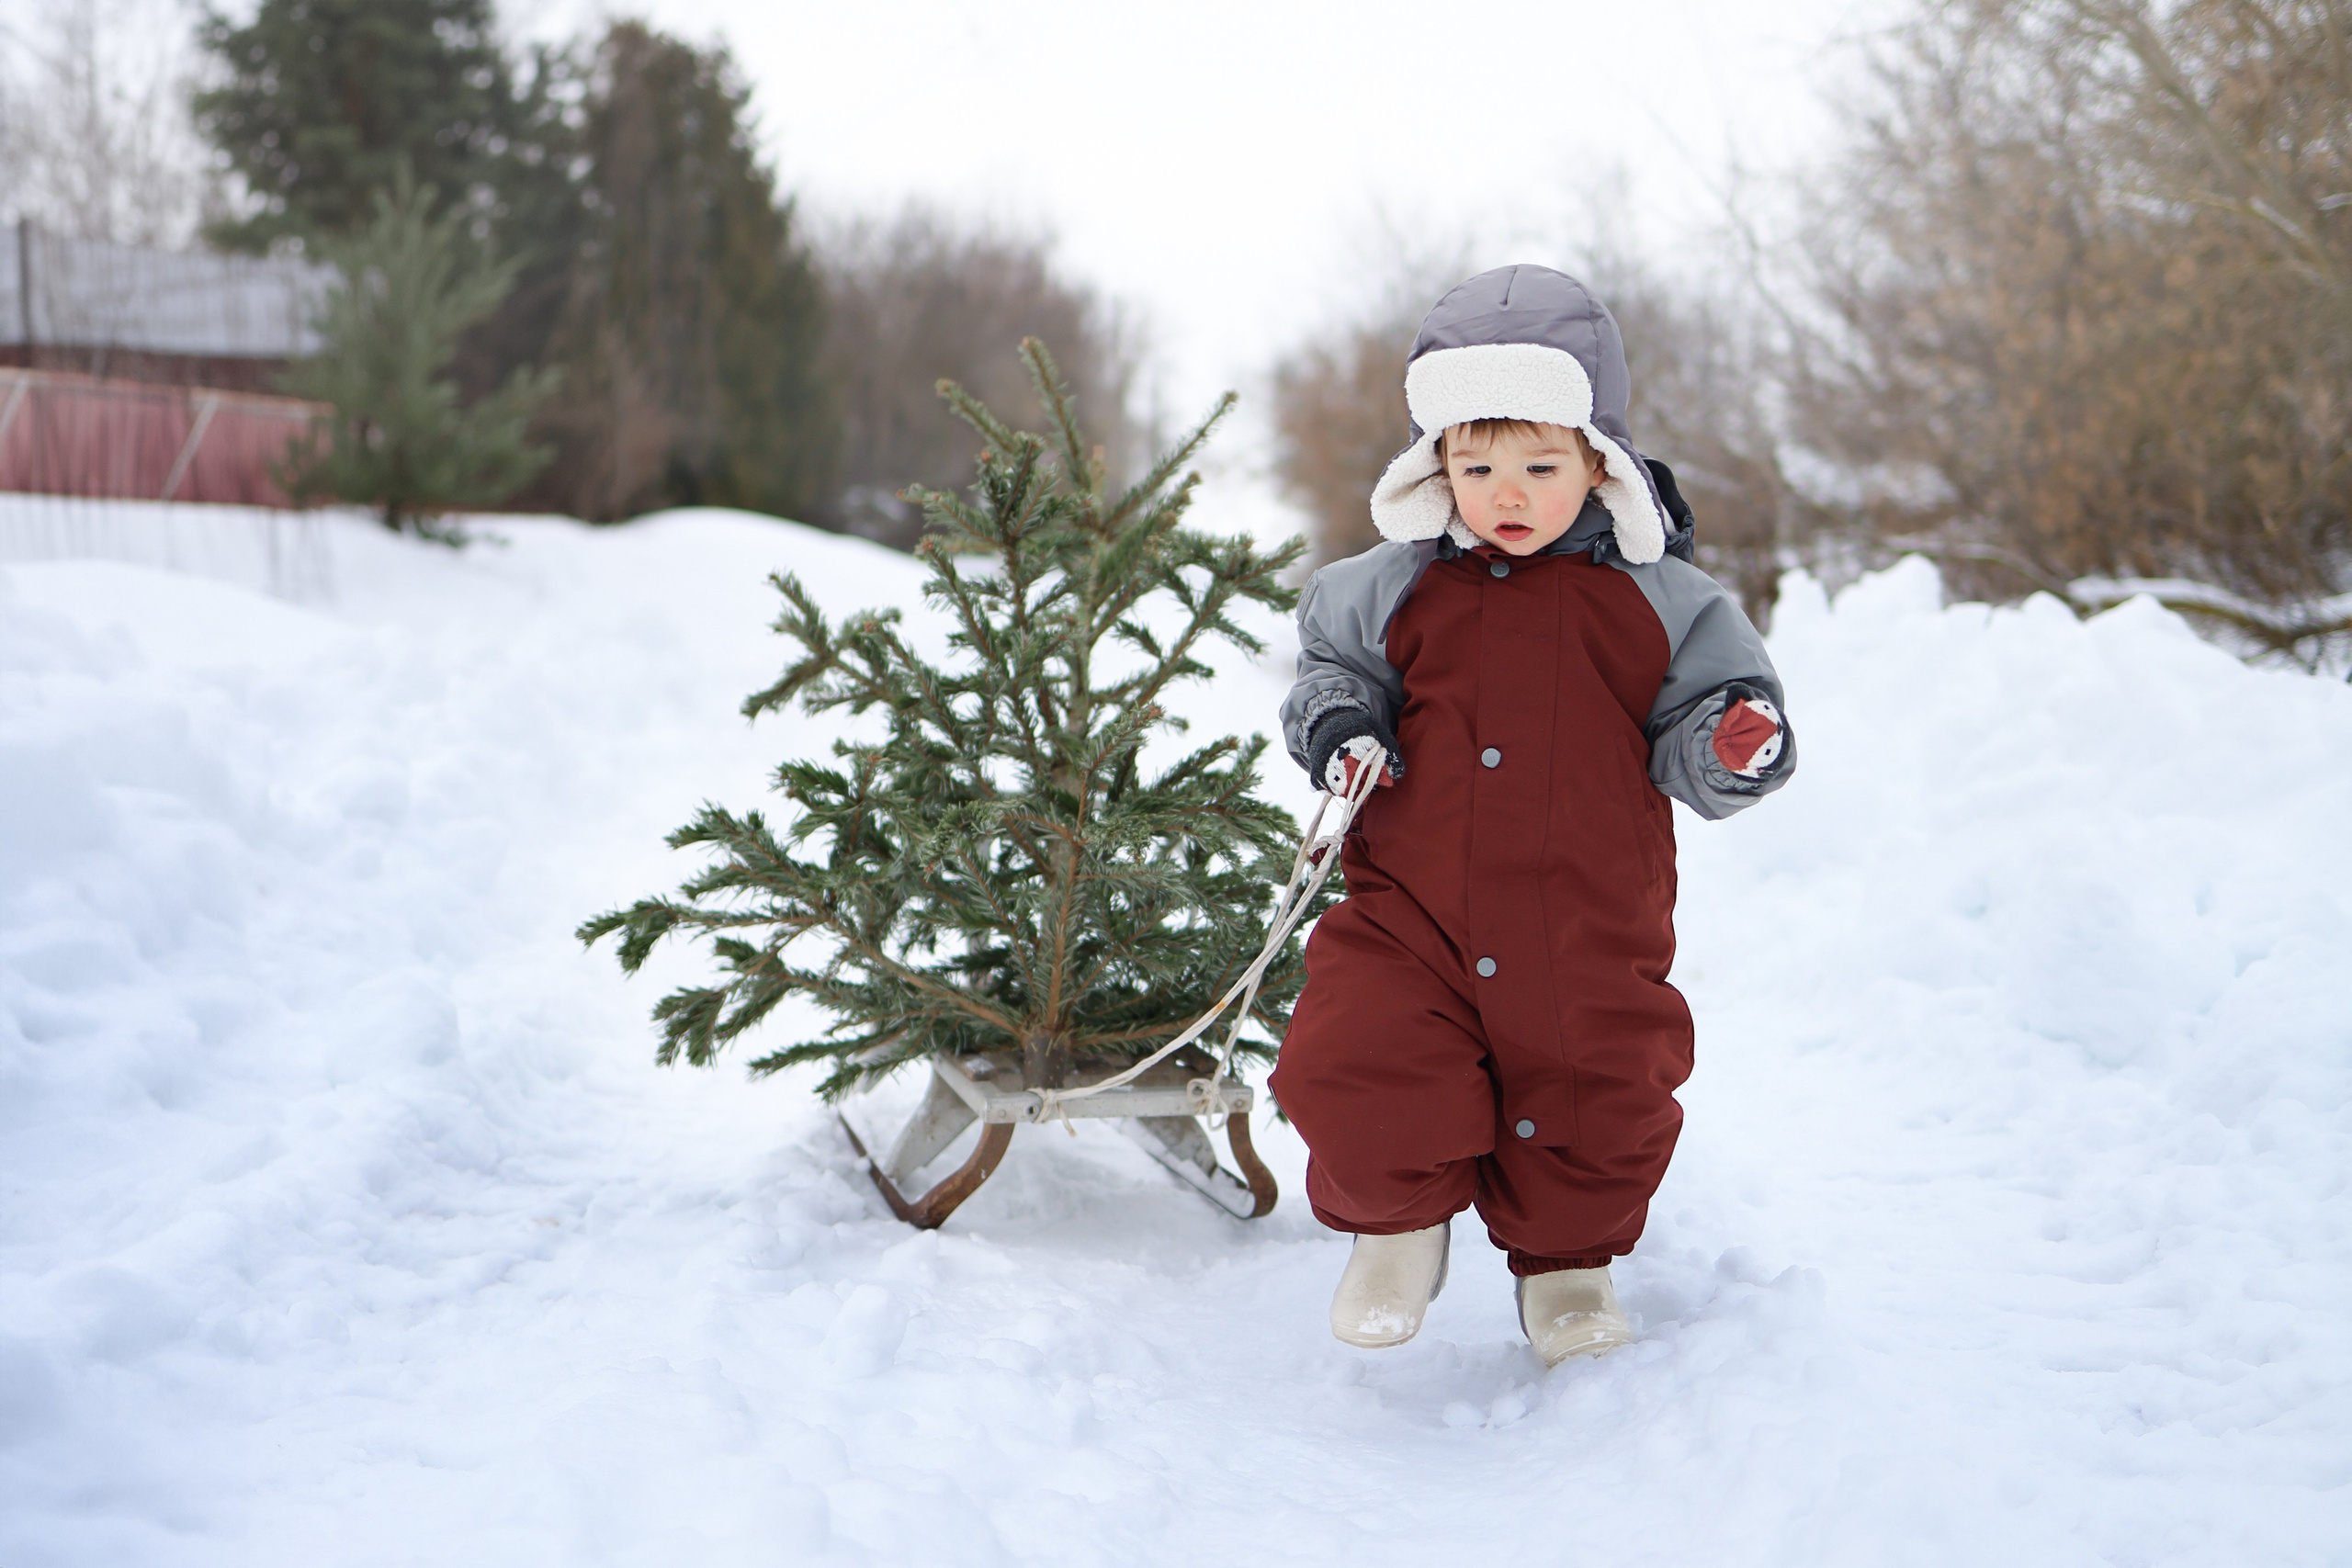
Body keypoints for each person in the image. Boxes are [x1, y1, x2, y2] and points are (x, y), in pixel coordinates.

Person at [1268, 265, 1795, 1366]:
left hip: (1584, 916)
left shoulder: (1662, 602)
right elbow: (1330, 669)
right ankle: (1397, 1231)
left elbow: (1709, 718)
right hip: (1413, 908)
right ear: (1436, 463)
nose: (1505, 493)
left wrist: (1729, 739)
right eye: (1476, 465)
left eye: (1539, 466)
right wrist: (1343, 726)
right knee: (1357, 1054)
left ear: (1599, 460)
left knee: (1596, 1086)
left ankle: (1567, 1269)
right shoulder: (1391, 584)